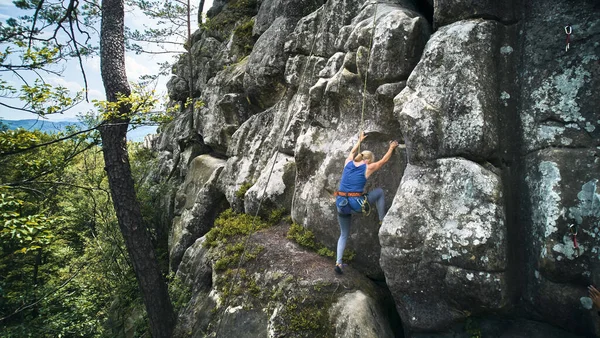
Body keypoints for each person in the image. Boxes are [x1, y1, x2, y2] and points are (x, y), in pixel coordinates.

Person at [334, 132, 399, 274]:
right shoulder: (368, 167)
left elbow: (352, 151)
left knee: (343, 234)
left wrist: (359, 140)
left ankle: (338, 263)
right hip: (356, 203)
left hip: (341, 203)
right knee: (380, 192)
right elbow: (383, 161)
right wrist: (391, 147)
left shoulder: (348, 162)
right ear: (368, 160)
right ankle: (382, 220)